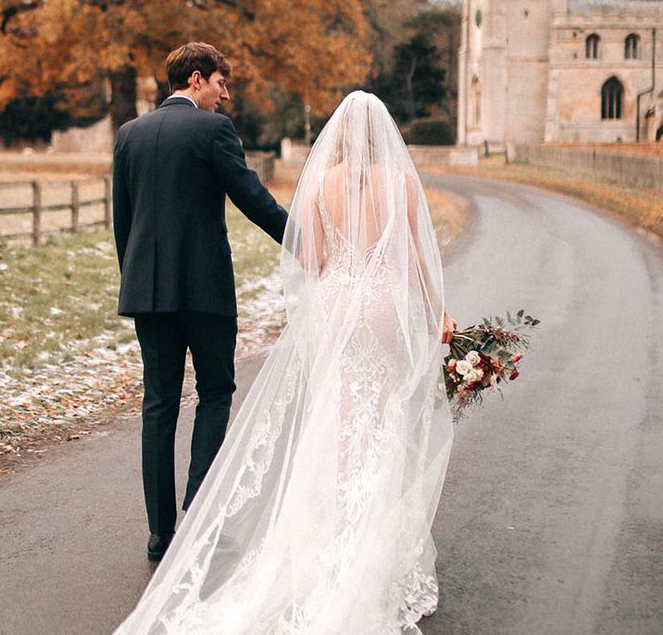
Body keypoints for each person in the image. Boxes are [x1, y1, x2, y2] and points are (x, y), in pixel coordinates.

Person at [115, 90, 457, 634]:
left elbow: (312, 255)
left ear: (338, 137)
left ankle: (322, 528)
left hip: (338, 301)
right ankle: (373, 534)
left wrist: (335, 283)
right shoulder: (404, 182)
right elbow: (416, 257)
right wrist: (439, 313)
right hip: (386, 306)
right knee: (383, 413)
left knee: (339, 415)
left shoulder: (321, 182)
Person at [112, 42, 289, 563]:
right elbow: (252, 198)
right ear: (195, 79)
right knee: (215, 391)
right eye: (220, 83)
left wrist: (137, 282)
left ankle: (159, 532)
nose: (225, 94)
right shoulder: (214, 130)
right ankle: (200, 509)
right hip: (206, 291)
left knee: (158, 404)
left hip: (147, 292)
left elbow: (124, 222)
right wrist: (307, 241)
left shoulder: (129, 134)